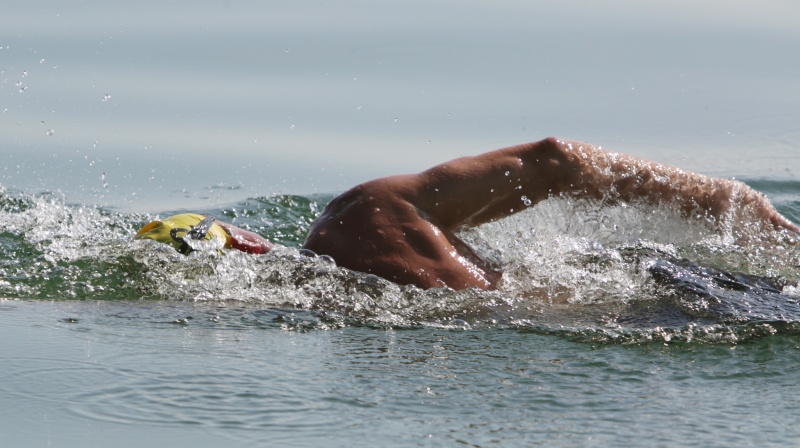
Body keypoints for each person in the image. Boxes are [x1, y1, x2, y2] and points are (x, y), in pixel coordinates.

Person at [136, 137, 800, 290]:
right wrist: (725, 202)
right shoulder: (368, 213)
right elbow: (555, 158)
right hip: (661, 290)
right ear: (247, 240)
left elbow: (552, 158)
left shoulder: (348, 329)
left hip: (650, 308)